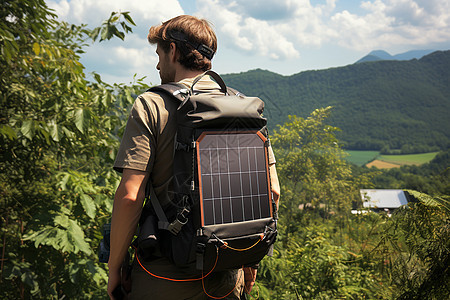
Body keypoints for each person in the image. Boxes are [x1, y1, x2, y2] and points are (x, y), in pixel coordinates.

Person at [107, 15, 280, 300]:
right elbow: (271, 191)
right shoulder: (242, 107)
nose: (157, 64)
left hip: (164, 278)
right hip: (226, 276)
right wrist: (249, 260)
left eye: (159, 54)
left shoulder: (152, 104)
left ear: (173, 50)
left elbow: (130, 196)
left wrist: (115, 269)